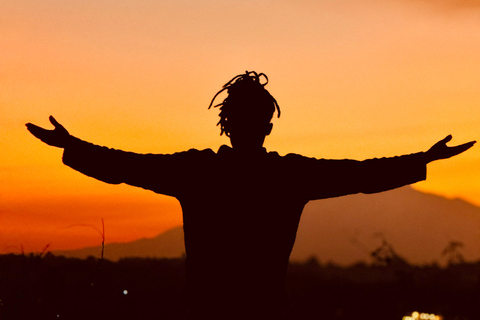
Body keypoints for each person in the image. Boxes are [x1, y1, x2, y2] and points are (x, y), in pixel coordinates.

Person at [26, 71, 475, 319]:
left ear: (227, 123)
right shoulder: (288, 175)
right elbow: (359, 176)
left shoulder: (198, 170)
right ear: (267, 125)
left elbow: (128, 167)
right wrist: (424, 159)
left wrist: (73, 147)